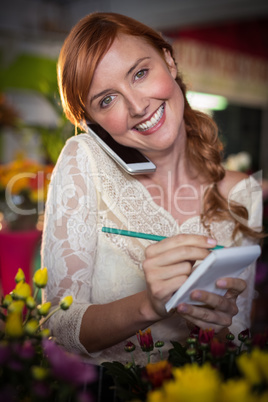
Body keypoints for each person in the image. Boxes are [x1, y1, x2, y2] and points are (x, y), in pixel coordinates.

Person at [41, 12, 262, 366]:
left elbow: (236, 344)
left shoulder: (243, 194)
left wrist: (215, 323)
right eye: (107, 100)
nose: (138, 106)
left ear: (169, 61)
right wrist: (150, 305)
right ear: (92, 122)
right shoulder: (84, 160)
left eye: (140, 73)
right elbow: (56, 327)